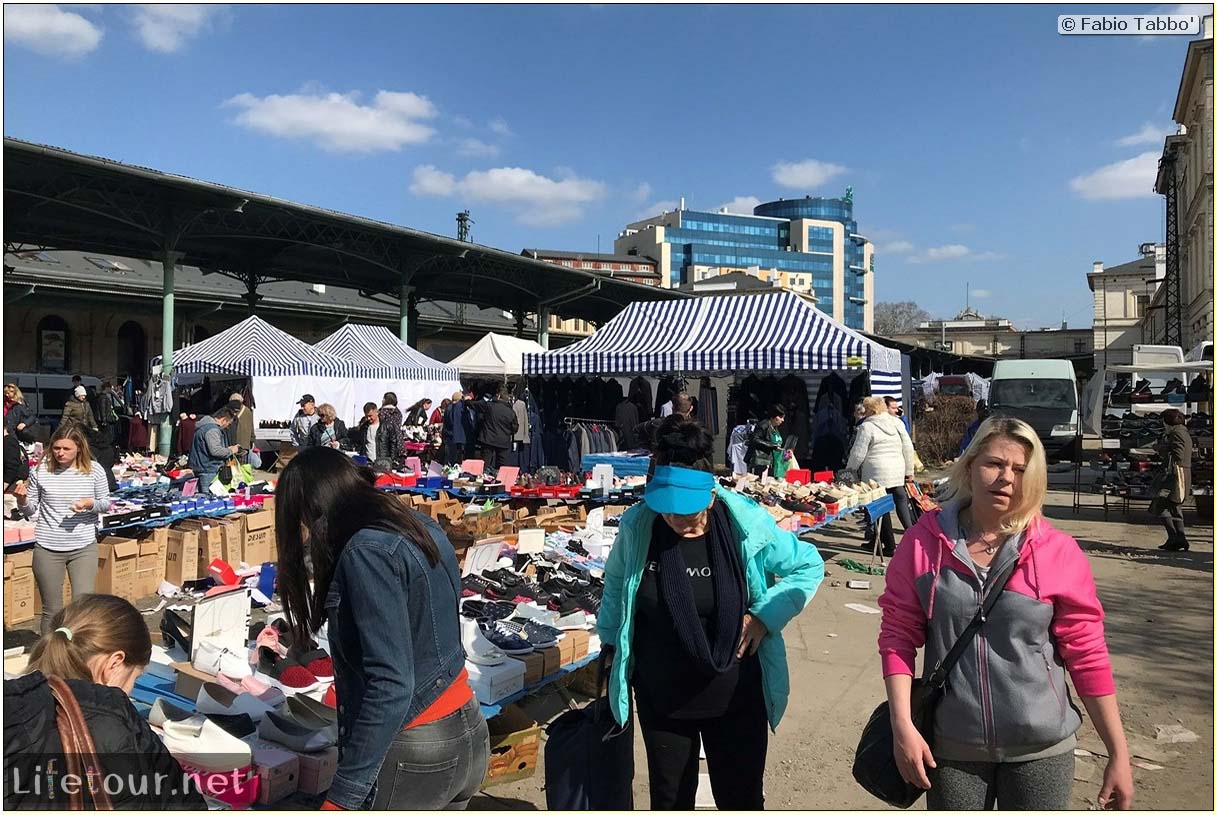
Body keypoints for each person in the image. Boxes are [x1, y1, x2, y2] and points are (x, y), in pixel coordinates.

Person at [878, 416, 1134, 811]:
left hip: (1041, 749)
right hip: (951, 749)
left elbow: (1087, 654)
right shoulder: (923, 543)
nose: (1006, 478)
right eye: (994, 463)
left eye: (1019, 469)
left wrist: (1118, 752)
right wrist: (902, 726)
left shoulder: (1057, 552)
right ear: (971, 463)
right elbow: (897, 636)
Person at [598, 418, 823, 809]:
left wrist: (765, 616)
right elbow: (616, 585)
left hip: (735, 696)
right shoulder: (639, 526)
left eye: (689, 514)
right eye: (668, 513)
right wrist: (609, 646)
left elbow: (808, 566)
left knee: (741, 800)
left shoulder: (745, 524)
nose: (678, 523)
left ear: (712, 496)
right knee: (669, 801)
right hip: (663, 700)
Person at [275, 448, 490, 809]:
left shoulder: (367, 551)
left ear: (312, 508)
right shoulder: (416, 524)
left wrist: (343, 796)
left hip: (418, 747)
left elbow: (391, 684)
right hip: (466, 726)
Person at [5, 595, 207, 809]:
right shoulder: (111, 722)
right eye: (135, 678)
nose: (130, 691)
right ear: (114, 663)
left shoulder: (14, 702)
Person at [14, 424, 112, 635]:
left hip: (83, 546)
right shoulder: (41, 470)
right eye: (56, 448)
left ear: (79, 447)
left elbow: (106, 503)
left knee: (82, 607)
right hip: (48, 547)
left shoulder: (94, 470)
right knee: (51, 610)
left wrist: (89, 503)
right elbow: (31, 510)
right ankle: (50, 658)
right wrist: (22, 500)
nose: (60, 453)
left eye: (66, 449)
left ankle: (79, 654)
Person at [845, 396, 915, 557]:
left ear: (869, 410)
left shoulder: (867, 426)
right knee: (900, 499)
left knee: (879, 507)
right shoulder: (897, 423)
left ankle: (889, 545)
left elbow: (858, 453)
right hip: (897, 469)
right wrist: (909, 470)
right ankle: (912, 536)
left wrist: (850, 470)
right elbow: (908, 447)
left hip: (876, 471)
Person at [1151, 408, 1193, 551]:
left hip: (1176, 475)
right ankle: (1177, 539)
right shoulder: (1180, 432)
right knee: (1171, 506)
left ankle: (1176, 538)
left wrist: (1162, 448)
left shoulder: (1178, 433)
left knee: (1162, 504)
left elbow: (1179, 455)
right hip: (1177, 474)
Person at [188, 405, 241, 494]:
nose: (228, 426)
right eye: (229, 423)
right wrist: (231, 450)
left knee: (203, 497)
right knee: (209, 499)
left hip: (201, 467)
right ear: (224, 419)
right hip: (208, 470)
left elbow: (208, 448)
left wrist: (226, 449)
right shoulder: (212, 429)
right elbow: (215, 451)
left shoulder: (203, 426)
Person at [474, 389, 518, 471]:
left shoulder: (490, 406)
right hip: (503, 440)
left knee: (485, 463)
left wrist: (467, 401)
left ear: (498, 396)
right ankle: (501, 480)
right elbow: (515, 428)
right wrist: (507, 432)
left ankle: (484, 478)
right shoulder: (511, 412)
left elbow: (477, 405)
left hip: (488, 438)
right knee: (502, 465)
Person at [745, 404, 788, 478]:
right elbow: (754, 439)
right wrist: (771, 445)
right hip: (759, 461)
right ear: (774, 416)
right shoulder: (763, 425)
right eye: (780, 417)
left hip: (769, 461)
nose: (782, 420)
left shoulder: (775, 427)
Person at [228, 392, 257, 465]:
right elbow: (251, 426)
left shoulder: (232, 411)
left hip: (235, 443)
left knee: (234, 466)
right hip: (245, 444)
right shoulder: (248, 411)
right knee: (243, 466)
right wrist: (252, 439)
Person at [379, 392, 407, 465]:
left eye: (383, 399)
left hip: (387, 442)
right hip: (399, 441)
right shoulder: (398, 412)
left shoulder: (382, 412)